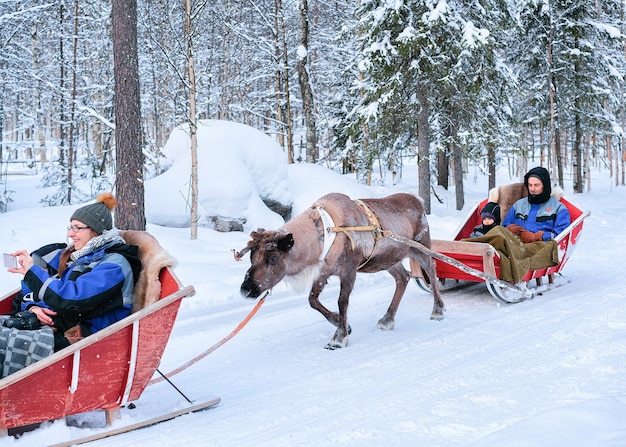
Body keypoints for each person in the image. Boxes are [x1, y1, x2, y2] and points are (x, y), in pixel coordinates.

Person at [4, 192, 141, 354]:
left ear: (97, 231)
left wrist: (31, 272)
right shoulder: (77, 256)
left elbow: (72, 298)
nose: (70, 233)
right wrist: (34, 307)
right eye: (71, 227)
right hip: (57, 324)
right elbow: (41, 284)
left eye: (78, 228)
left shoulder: (114, 265)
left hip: (85, 339)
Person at [502, 166, 571, 242]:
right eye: (530, 185)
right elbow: (505, 226)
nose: (532, 189)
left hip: (543, 247)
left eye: (536, 185)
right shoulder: (518, 205)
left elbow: (562, 235)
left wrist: (538, 236)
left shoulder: (558, 208)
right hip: (516, 245)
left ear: (544, 185)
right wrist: (511, 229)